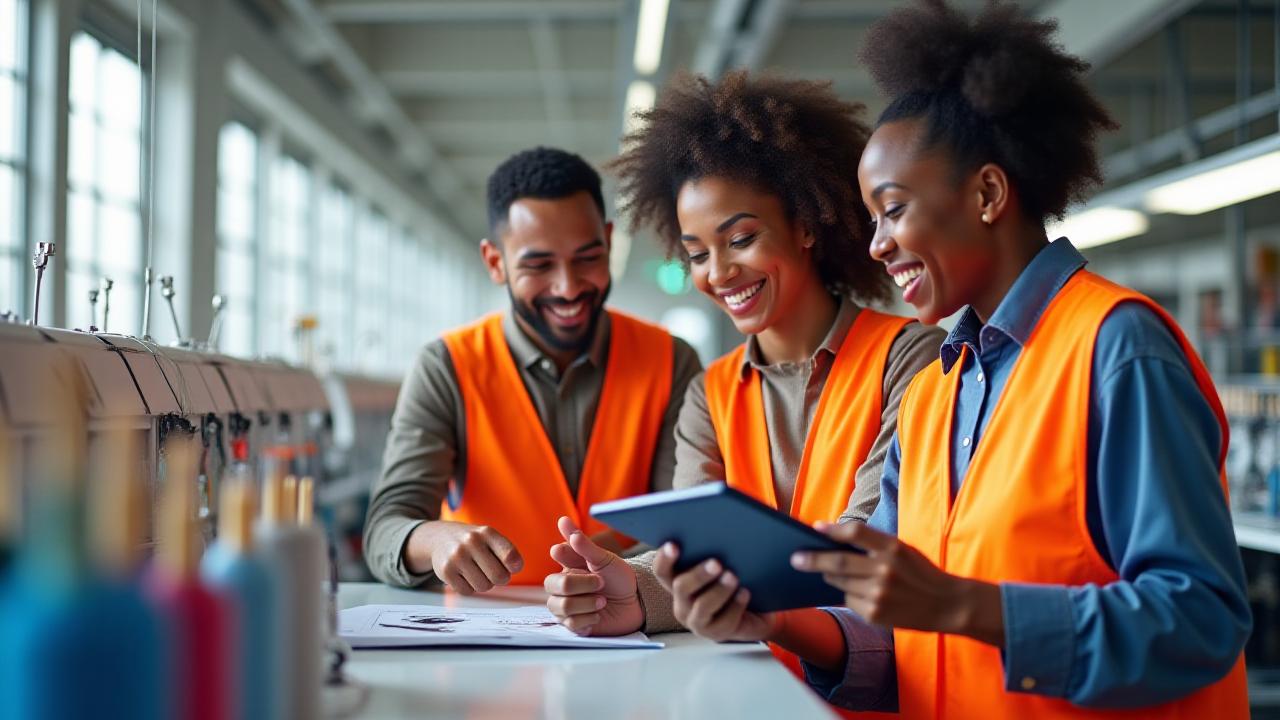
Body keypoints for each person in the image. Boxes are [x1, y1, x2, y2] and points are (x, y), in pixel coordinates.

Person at [653, 2, 1253, 716]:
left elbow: (1203, 621)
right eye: (871, 218)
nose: (875, 244)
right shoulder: (937, 391)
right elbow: (897, 639)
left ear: (988, 194)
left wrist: (964, 605)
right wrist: (778, 624)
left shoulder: (1117, 348)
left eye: (894, 208)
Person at [542, 71, 942, 701]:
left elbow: (869, 543)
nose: (719, 272)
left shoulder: (911, 358)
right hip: (748, 692)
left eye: (742, 239)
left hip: (876, 691)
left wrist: (674, 578)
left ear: (807, 225)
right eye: (697, 253)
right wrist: (632, 589)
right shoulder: (711, 391)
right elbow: (693, 553)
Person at [364, 147, 702, 593]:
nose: (567, 287)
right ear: (494, 262)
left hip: (627, 622)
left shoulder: (671, 360)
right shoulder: (447, 366)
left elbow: (681, 519)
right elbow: (385, 528)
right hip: (489, 627)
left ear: (607, 240)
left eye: (587, 257)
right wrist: (434, 538)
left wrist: (628, 569)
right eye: (539, 265)